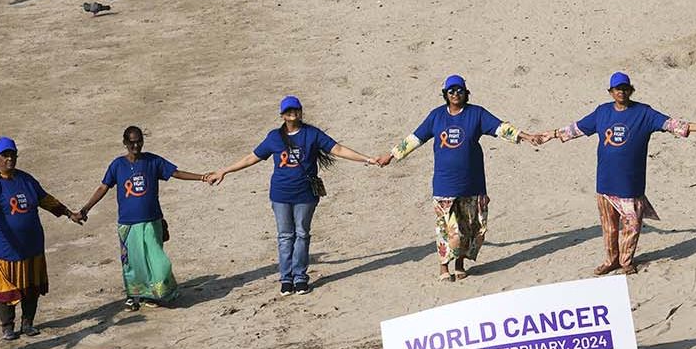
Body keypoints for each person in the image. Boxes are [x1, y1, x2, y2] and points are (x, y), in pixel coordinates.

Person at [539, 72, 696, 275]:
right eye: (617, 89)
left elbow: (670, 124)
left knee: (631, 226)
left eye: (624, 88)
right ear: (611, 92)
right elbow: (576, 128)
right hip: (605, 184)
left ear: (630, 90)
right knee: (609, 227)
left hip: (630, 185)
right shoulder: (602, 112)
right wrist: (550, 135)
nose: (621, 92)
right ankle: (610, 260)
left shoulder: (644, 113)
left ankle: (625, 261)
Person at [210, 97, 381, 296]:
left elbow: (339, 149)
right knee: (285, 236)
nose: (293, 113)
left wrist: (368, 159)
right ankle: (286, 279)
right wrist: (224, 170)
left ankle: (300, 277)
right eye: (288, 110)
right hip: (280, 194)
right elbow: (252, 157)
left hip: (305, 195)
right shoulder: (274, 137)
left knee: (302, 234)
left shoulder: (312, 134)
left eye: (296, 109)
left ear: (300, 111)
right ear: (282, 115)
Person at [375, 75, 535, 280]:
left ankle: (459, 264)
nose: (455, 94)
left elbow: (500, 128)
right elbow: (415, 138)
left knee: (469, 228)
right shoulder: (436, 117)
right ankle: (444, 267)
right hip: (445, 185)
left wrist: (526, 136)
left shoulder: (476, 114)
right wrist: (391, 155)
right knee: (446, 229)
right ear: (445, 94)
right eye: (451, 91)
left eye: (459, 90)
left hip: (472, 184)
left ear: (465, 93)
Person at [76, 126, 215, 309]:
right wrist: (85, 209)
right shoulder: (117, 165)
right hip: (128, 224)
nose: (136, 145)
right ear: (125, 143)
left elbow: (176, 173)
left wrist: (203, 177)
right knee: (133, 264)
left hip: (152, 220)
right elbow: (103, 187)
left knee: (159, 261)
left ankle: (155, 293)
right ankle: (134, 296)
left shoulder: (153, 161)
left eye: (139, 141)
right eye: (132, 142)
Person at [0, 136, 85, 340]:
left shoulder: (26, 180)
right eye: (5, 155)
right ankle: (8, 326)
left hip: (32, 244)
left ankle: (28, 323)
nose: (10, 159)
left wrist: (70, 213)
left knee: (32, 285)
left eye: (12, 154)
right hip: (6, 248)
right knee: (7, 288)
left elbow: (46, 200)